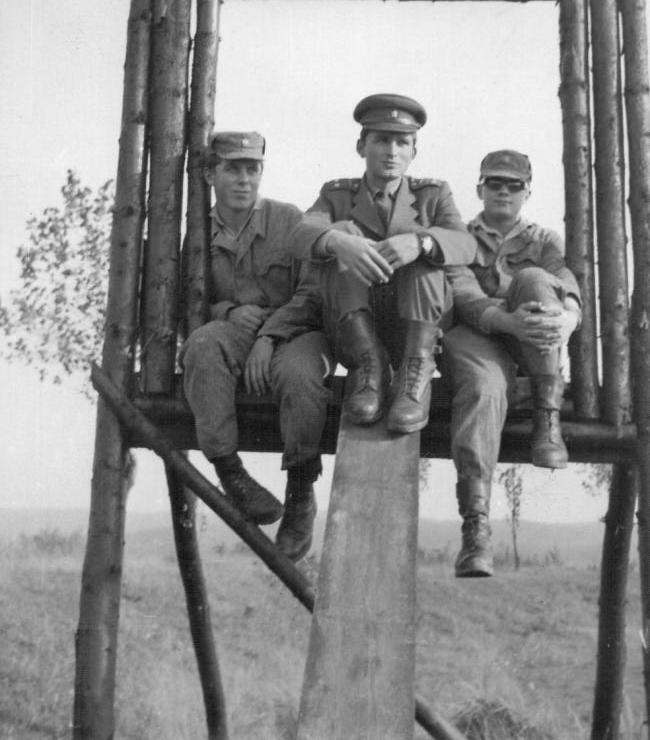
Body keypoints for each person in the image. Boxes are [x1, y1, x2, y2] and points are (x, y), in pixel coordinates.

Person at [180, 131, 333, 561]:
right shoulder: (199, 234)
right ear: (211, 174)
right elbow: (188, 301)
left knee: (300, 374)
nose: (244, 179)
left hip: (296, 332)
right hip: (236, 336)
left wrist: (270, 334)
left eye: (253, 169)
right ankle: (232, 474)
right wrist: (227, 311)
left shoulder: (288, 220)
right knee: (202, 346)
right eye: (233, 169)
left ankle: (300, 492)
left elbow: (313, 293)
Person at [290, 93, 476, 433]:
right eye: (381, 140)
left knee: (424, 244)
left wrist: (420, 242)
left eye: (402, 142)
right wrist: (339, 242)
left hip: (416, 331)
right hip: (356, 331)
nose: (392, 151)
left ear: (413, 152)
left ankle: (414, 375)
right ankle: (370, 365)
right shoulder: (336, 194)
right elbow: (301, 232)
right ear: (361, 146)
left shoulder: (434, 194)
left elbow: (465, 244)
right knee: (342, 233)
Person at [444, 149, 581, 578]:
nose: (503, 191)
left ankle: (547, 416)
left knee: (536, 279)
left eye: (513, 185)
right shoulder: (460, 236)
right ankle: (476, 528)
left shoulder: (543, 240)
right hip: (478, 335)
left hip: (530, 345)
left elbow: (565, 279)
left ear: (527, 192)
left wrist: (570, 316)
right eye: (494, 183)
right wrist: (506, 320)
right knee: (482, 391)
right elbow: (462, 292)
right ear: (480, 188)